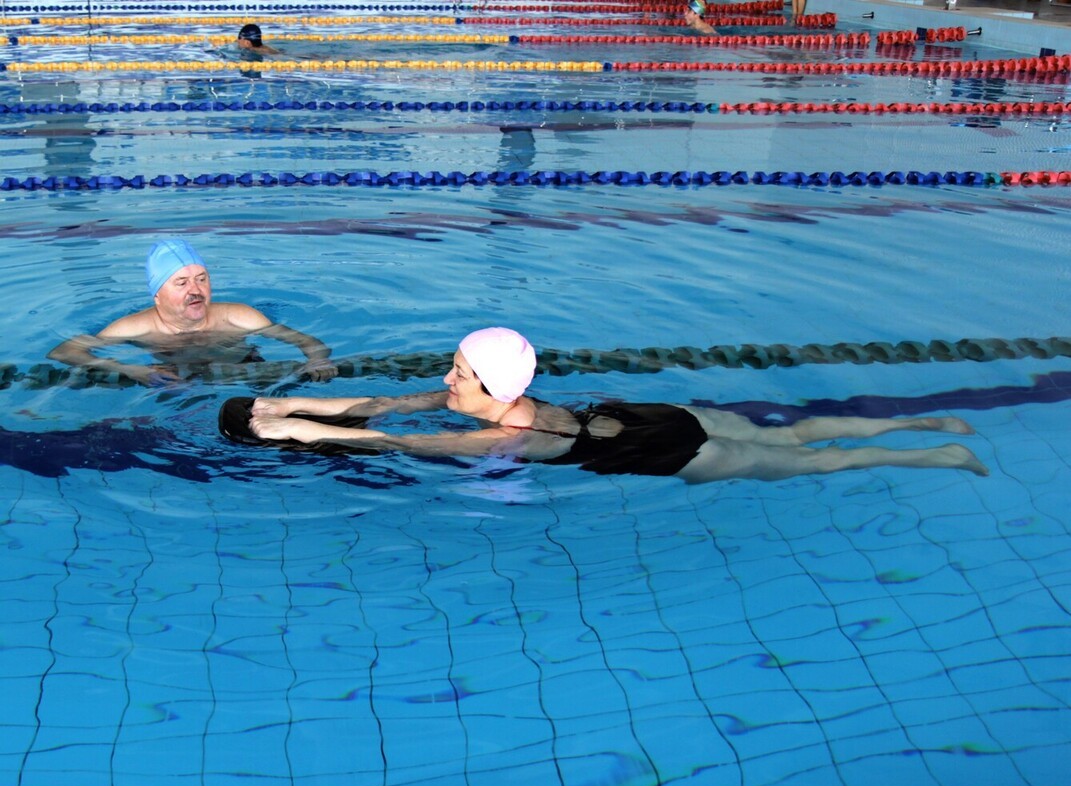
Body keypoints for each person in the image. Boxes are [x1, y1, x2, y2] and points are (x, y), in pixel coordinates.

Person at [223, 327, 989, 483]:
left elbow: (396, 445)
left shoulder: (507, 439)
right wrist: (280, 405)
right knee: (799, 428)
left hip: (674, 447)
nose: (444, 378)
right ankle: (917, 416)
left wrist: (294, 433)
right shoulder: (499, 397)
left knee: (804, 460)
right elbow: (385, 407)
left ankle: (926, 449)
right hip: (655, 412)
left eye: (457, 371)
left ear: (493, 389)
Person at [48, 239, 337, 387]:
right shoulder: (134, 328)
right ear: (157, 294)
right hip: (173, 382)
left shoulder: (239, 317)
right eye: (182, 282)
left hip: (245, 376)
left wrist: (317, 360)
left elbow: (307, 342)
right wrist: (127, 369)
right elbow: (64, 352)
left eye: (201, 278)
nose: (195, 290)